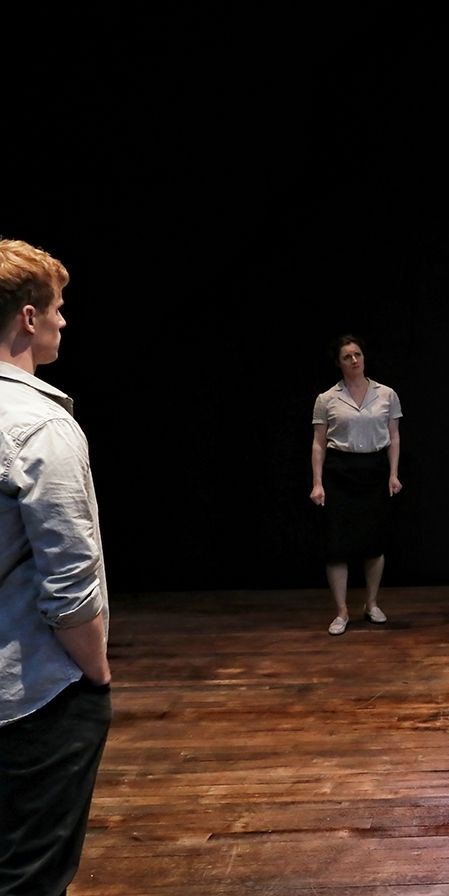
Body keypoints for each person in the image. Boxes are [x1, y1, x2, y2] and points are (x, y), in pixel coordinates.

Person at [0, 239, 112, 895]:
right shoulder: (40, 426)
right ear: (28, 318)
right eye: (58, 308)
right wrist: (95, 676)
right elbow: (70, 584)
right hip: (32, 703)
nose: (64, 321)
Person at [310, 335, 402, 636]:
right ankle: (341, 611)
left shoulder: (386, 394)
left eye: (358, 354)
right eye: (347, 356)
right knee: (337, 544)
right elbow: (319, 444)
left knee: (374, 542)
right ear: (339, 363)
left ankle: (371, 603)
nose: (354, 360)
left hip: (373, 469)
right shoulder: (326, 399)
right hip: (341, 471)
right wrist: (317, 483)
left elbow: (394, 437)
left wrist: (393, 474)